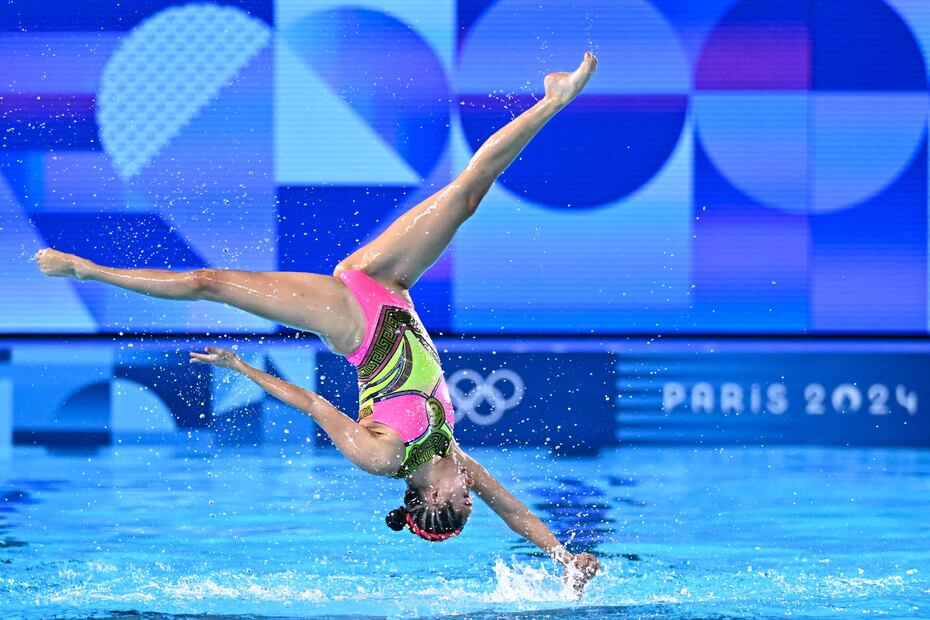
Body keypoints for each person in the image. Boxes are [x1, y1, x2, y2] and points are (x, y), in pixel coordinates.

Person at [35, 52, 601, 589]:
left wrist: (240, 366)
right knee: (465, 194)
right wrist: (561, 557)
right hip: (391, 289)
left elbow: (313, 405)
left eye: (462, 502)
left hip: (352, 320)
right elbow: (513, 509)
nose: (472, 492)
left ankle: (86, 270)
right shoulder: (447, 450)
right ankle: (553, 100)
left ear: (431, 500)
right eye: (470, 499)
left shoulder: (383, 456)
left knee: (211, 284)